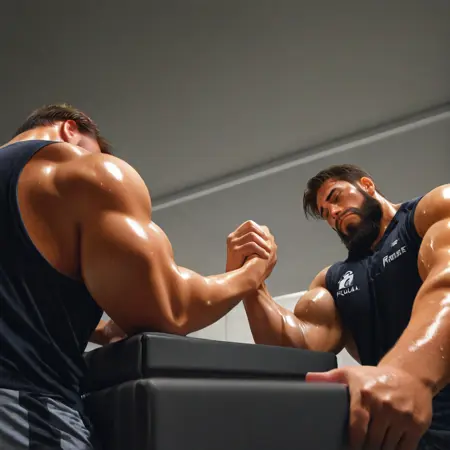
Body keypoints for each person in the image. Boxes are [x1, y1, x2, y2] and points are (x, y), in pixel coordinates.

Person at [0, 103, 277, 449]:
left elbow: (18, 293)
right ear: (70, 130)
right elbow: (172, 307)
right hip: (25, 414)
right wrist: (252, 272)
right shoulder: (77, 170)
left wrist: (102, 330)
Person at [226, 164, 450, 450]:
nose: (332, 213)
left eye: (335, 197)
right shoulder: (332, 280)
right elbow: (295, 347)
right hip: (393, 435)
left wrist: (410, 374)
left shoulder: (430, 213)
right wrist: (249, 281)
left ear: (367, 185)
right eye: (325, 213)